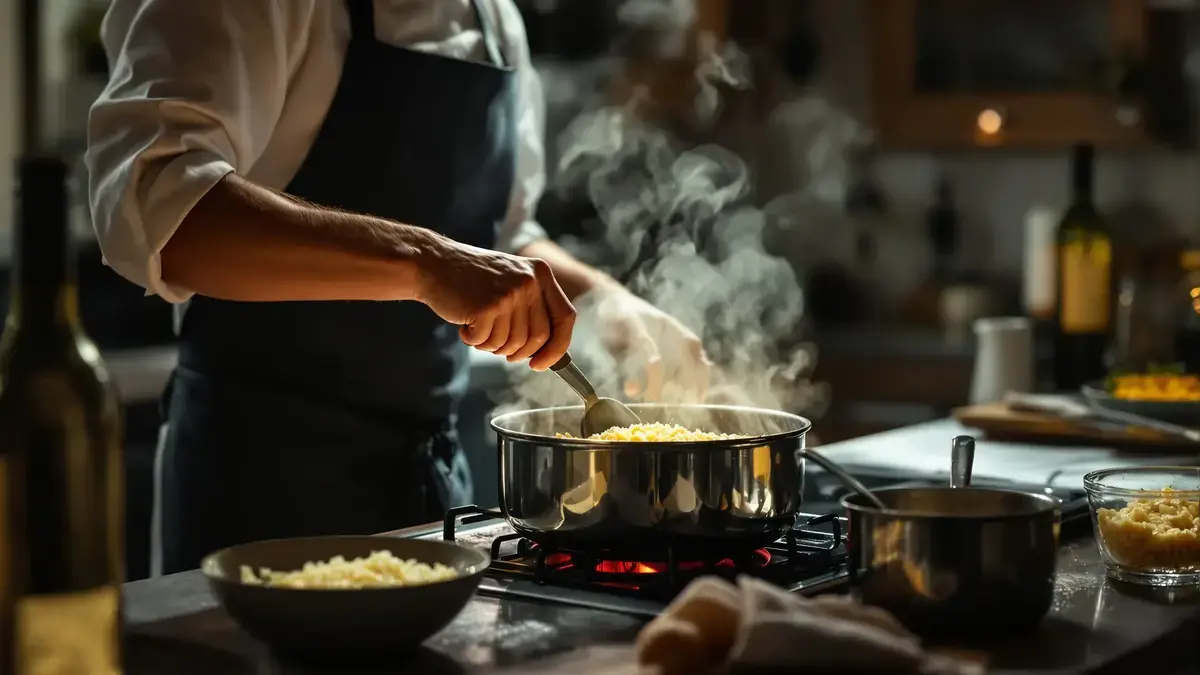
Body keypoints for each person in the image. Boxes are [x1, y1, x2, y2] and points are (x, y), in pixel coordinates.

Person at [87, 0, 710, 575]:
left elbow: (506, 233)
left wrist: (606, 300)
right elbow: (165, 210)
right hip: (262, 481)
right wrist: (425, 261)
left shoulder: (495, 20)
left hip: (431, 491)